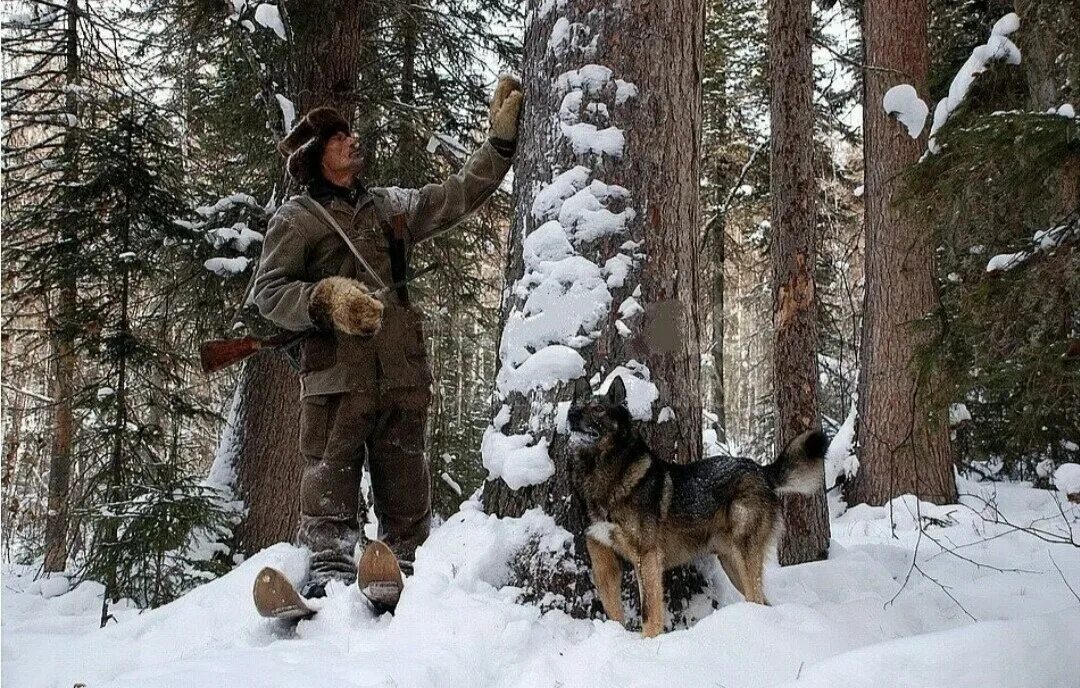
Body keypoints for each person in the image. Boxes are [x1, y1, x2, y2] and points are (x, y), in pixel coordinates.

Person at [252, 76, 523, 598]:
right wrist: (324, 299)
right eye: (337, 139)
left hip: (401, 376)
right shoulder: (296, 219)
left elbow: (458, 194)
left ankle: (403, 580)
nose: (352, 141)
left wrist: (500, 145)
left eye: (350, 134)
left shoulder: (390, 206)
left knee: (408, 509)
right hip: (336, 381)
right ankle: (328, 585)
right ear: (314, 157)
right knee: (327, 499)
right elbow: (267, 293)